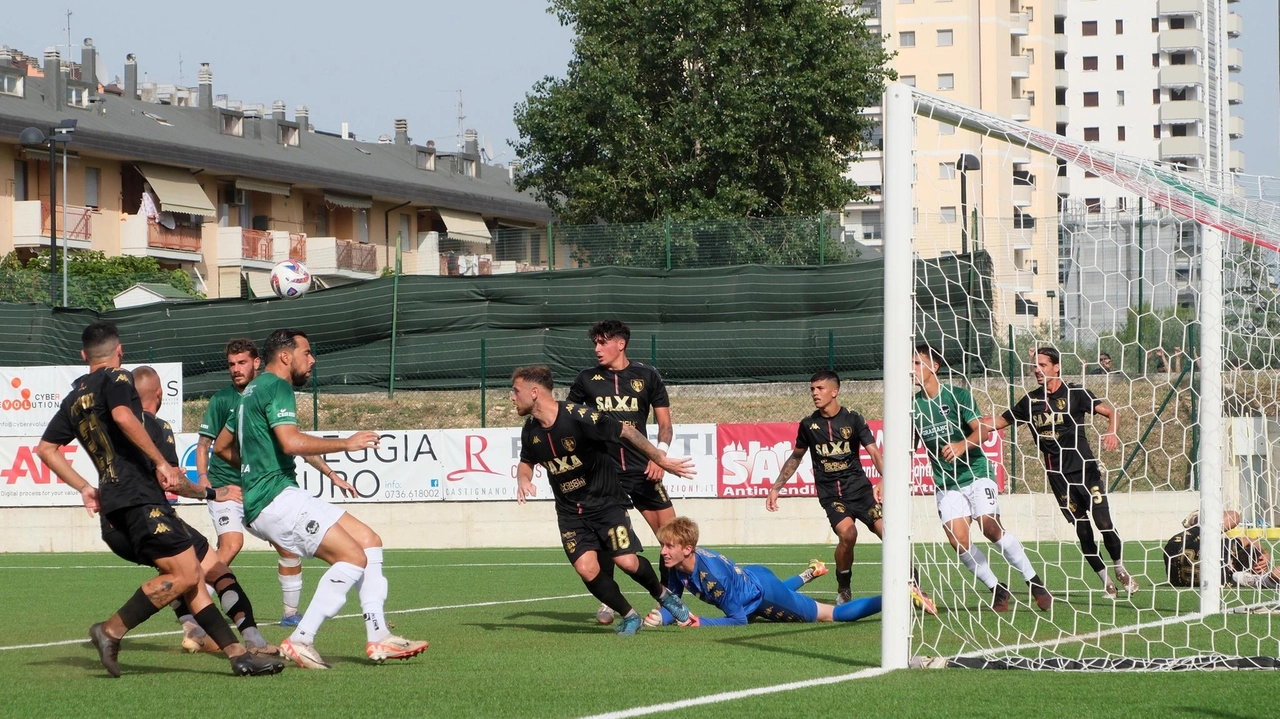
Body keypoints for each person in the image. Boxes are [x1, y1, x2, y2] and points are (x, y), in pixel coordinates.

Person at [34, 322, 282, 678]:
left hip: (119, 502)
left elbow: (46, 449)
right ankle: (110, 631)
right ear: (119, 352)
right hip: (139, 499)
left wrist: (85, 488)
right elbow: (122, 416)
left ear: (83, 355)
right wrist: (164, 463)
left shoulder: (73, 398)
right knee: (184, 574)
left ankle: (237, 653)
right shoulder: (119, 380)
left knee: (193, 574)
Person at [214, 329, 428, 669]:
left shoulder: (248, 392)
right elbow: (290, 442)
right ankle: (302, 638)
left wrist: (253, 471)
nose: (312, 360)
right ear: (286, 357)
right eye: (307, 352)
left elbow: (222, 447)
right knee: (352, 557)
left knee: (369, 542)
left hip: (273, 494)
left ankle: (379, 635)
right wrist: (346, 443)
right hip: (276, 498)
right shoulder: (277, 386)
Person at [511, 365, 696, 636]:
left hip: (606, 503)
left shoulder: (580, 417)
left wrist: (660, 459)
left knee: (627, 562)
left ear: (535, 392)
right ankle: (629, 615)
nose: (512, 397)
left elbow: (628, 432)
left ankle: (663, 594)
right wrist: (522, 479)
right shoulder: (530, 431)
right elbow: (526, 461)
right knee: (586, 569)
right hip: (570, 512)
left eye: (515, 391)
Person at [197, 338, 343, 627]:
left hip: (261, 491)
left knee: (288, 547)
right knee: (231, 544)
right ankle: (193, 607)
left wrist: (330, 473)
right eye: (231, 364)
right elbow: (207, 445)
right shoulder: (223, 400)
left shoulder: (264, 392)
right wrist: (205, 481)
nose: (235, 369)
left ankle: (290, 614)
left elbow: (290, 442)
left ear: (256, 363)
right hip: (228, 490)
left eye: (241, 363)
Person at [133, 365, 279, 654]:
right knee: (214, 572)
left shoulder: (116, 427)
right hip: (158, 519)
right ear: (159, 394)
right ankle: (250, 639)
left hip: (124, 522)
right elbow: (173, 482)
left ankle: (192, 628)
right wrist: (211, 491)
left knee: (186, 575)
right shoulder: (160, 428)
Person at [975, 346, 1138, 598]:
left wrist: (1112, 431)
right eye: (1035, 366)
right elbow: (998, 422)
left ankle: (1119, 567)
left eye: (1043, 365)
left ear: (1056, 367)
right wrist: (970, 423)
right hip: (1059, 477)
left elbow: (1111, 412)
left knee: (1104, 523)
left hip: (1085, 470)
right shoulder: (1031, 401)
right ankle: (1105, 580)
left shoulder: (1075, 393)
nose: (1037, 370)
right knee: (1083, 530)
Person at [765, 370, 934, 613]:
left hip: (861, 492)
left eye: (820, 388)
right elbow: (796, 457)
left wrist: (887, 479)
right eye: (812, 389)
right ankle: (844, 587)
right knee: (848, 534)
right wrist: (775, 487)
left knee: (890, 533)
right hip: (832, 495)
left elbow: (874, 452)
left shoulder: (854, 420)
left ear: (835, 391)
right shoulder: (808, 425)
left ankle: (914, 585)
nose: (814, 393)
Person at [911, 345, 1053, 612]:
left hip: (976, 474)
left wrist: (962, 445)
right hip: (946, 483)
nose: (912, 370)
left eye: (917, 363)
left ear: (934, 367)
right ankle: (997, 588)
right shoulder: (913, 408)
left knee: (990, 528)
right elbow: (907, 448)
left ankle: (1034, 582)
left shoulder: (957, 395)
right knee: (958, 540)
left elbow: (983, 431)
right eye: (910, 364)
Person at [567, 319, 677, 625]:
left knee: (670, 537)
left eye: (602, 343)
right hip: (603, 474)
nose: (597, 349)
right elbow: (569, 420)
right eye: (595, 343)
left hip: (643, 470)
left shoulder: (647, 374)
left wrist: (660, 457)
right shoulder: (585, 379)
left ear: (621, 344)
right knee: (605, 538)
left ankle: (669, 598)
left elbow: (665, 425)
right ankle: (608, 601)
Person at [644, 517, 881, 627]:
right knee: (781, 593)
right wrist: (662, 617)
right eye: (663, 545)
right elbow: (673, 601)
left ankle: (896, 596)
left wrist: (701, 622)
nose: (663, 551)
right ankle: (810, 573)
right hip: (754, 577)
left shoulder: (715, 579)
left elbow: (738, 620)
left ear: (687, 549)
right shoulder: (676, 564)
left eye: (669, 546)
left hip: (763, 595)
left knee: (832, 615)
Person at [1166, 511, 1280, 590]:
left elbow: (1248, 540)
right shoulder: (1231, 578)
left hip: (1176, 545)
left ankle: (1197, 520)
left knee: (1234, 516)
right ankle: (1199, 520)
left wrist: (1265, 553)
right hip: (1175, 576)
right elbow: (1272, 576)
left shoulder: (1225, 547)